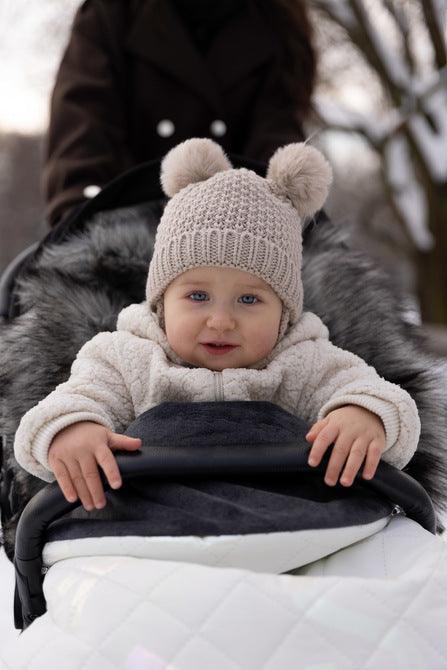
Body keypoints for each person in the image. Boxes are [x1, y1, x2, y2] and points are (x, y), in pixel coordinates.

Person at [14, 138, 420, 512]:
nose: (221, 320)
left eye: (249, 299)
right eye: (197, 296)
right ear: (160, 303)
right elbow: (51, 413)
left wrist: (365, 415)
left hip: (285, 526)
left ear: (284, 313)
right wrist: (71, 429)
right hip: (146, 536)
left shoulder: (306, 363)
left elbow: (386, 400)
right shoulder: (124, 360)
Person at [42, 0, 316, 227]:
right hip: (122, 229)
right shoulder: (111, 14)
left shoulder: (277, 23)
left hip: (238, 239)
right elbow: (83, 137)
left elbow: (276, 140)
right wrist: (88, 227)